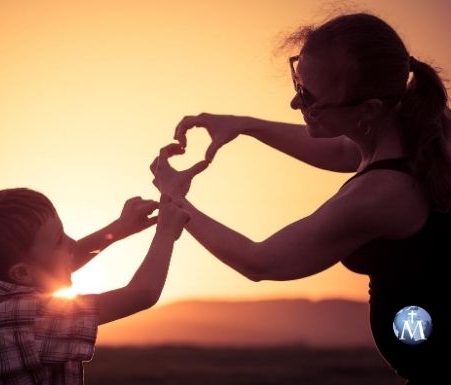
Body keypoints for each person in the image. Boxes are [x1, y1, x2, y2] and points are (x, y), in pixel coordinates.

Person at [150, 12, 450, 384]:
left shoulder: (381, 194)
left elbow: (260, 262)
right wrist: (245, 125)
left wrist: (175, 201)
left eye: (309, 97)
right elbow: (342, 150)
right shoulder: (418, 127)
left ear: (368, 109)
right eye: (299, 82)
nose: (296, 103)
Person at [0, 187, 189, 385]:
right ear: (22, 272)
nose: (71, 243)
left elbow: (53, 266)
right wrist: (165, 232)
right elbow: (142, 294)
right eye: (59, 240)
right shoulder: (34, 319)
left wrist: (119, 229)